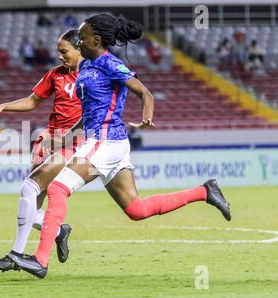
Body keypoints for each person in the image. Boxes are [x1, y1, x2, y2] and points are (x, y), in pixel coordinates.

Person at [12, 13, 232, 279]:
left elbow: (144, 92)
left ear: (96, 39)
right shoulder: (86, 67)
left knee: (58, 189)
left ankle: (40, 260)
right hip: (104, 142)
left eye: (81, 37)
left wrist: (146, 116)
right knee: (137, 210)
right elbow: (89, 114)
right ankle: (204, 191)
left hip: (106, 141)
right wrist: (64, 138)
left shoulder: (109, 64)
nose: (78, 42)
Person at [0, 29, 84, 272]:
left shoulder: (91, 75)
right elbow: (32, 101)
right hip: (49, 139)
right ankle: (59, 231)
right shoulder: (55, 75)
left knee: (30, 187)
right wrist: (3, 107)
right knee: (32, 198)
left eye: (64, 51)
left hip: (74, 141)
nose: (60, 56)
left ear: (79, 49)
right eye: (58, 52)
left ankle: (16, 253)